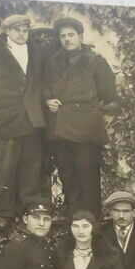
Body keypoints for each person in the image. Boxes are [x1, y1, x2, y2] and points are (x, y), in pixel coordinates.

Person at [0, 14, 47, 231]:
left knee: (31, 167)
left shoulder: (37, 53)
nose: (21, 34)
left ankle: (28, 212)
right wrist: (2, 108)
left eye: (25, 30)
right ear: (7, 31)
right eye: (17, 30)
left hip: (32, 119)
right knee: (5, 167)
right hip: (6, 120)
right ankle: (4, 214)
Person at [43, 17, 120, 218]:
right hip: (60, 129)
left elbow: (110, 96)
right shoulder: (52, 63)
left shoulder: (95, 61)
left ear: (80, 36)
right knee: (68, 179)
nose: (67, 39)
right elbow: (44, 89)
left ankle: (92, 226)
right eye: (63, 36)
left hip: (86, 132)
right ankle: (74, 224)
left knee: (88, 180)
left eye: (71, 35)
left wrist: (89, 111)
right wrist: (48, 101)